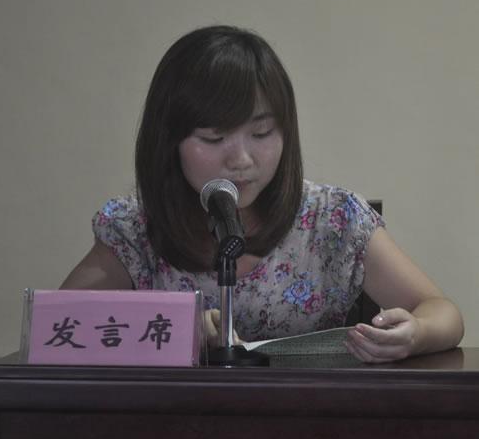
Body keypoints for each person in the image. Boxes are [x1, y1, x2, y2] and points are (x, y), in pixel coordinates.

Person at [60, 25, 464, 363]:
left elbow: (442, 312)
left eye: (262, 133)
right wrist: (168, 325)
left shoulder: (333, 218)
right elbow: (58, 326)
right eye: (214, 137)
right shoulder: (135, 229)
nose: (241, 159)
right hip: (176, 424)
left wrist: (415, 333)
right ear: (170, 141)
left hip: (310, 420)